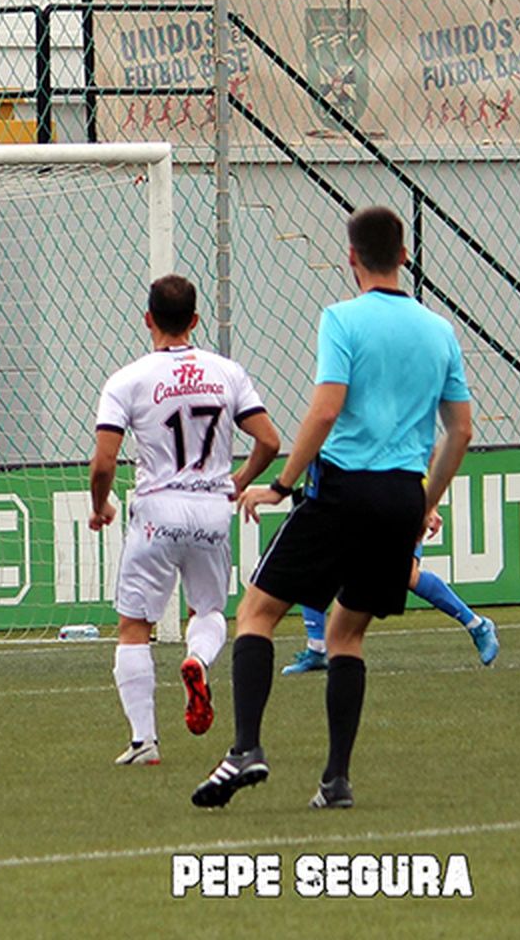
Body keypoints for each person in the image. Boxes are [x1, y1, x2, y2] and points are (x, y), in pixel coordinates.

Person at [192, 207, 474, 810]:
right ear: (404, 255)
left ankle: (245, 748)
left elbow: (324, 410)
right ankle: (336, 780)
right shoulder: (440, 331)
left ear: (351, 257)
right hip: (401, 494)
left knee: (257, 612)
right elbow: (461, 431)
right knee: (347, 634)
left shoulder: (341, 319)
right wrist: (423, 501)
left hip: (344, 488)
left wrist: (282, 486)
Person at [90, 275, 281, 767]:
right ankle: (197, 661)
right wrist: (238, 480)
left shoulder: (127, 380)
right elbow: (271, 441)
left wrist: (100, 504)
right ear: (195, 320)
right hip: (212, 512)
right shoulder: (227, 372)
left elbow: (103, 463)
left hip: (157, 510)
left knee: (135, 625)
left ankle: (143, 742)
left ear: (148, 319)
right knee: (211, 613)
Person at [283, 515, 499, 674]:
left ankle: (478, 626)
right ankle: (317, 649)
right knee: (313, 563)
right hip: (350, 501)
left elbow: (423, 456)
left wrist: (429, 505)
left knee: (408, 575)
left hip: (395, 500)